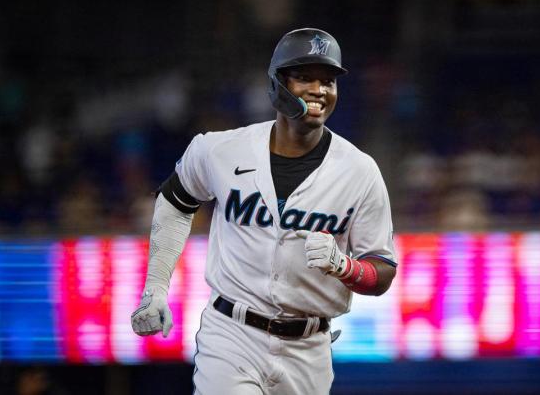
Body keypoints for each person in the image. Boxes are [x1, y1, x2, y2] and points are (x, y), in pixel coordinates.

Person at [131, 28, 396, 395]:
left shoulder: (360, 171)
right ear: (277, 84)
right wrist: (156, 287)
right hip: (232, 333)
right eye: (304, 77)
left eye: (328, 81)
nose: (319, 90)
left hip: (309, 346)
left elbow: (382, 270)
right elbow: (176, 201)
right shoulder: (220, 150)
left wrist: (345, 266)